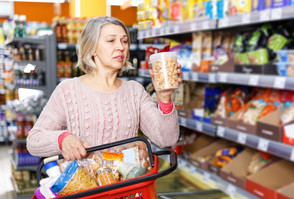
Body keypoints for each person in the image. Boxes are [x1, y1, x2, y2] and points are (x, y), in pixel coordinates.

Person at [27, 16, 182, 160]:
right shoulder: (68, 90)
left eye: (124, 41)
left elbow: (166, 139)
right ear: (92, 48)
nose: (120, 47)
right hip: (85, 187)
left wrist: (164, 98)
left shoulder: (135, 91)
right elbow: (34, 140)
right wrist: (62, 139)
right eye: (111, 41)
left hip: (127, 186)